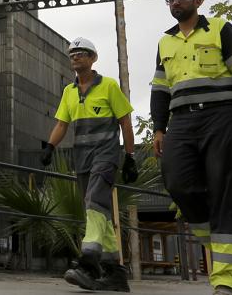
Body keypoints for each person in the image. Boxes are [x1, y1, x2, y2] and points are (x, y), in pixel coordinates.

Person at [150, 0, 232, 295]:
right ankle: (221, 243)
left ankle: (225, 280)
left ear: (198, 1)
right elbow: (160, 89)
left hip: (222, 117)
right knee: (177, 183)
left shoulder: (220, 29)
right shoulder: (165, 42)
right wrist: (159, 128)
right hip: (181, 121)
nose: (176, 3)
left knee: (223, 189)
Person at [41, 37, 137, 291]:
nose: (76, 57)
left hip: (106, 156)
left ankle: (88, 263)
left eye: (82, 53)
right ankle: (115, 274)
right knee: (98, 213)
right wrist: (50, 147)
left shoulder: (108, 86)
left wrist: (130, 157)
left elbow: (125, 122)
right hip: (82, 159)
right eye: (72, 54)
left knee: (95, 202)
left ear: (93, 58)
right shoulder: (69, 92)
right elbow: (62, 124)